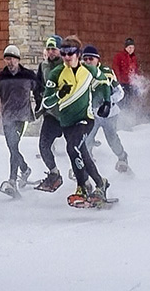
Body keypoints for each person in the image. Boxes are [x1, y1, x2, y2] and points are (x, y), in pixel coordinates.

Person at [41, 35, 112, 207]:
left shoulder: (88, 69)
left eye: (70, 53)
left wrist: (107, 102)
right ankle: (100, 183)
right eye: (63, 53)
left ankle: (82, 187)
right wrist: (59, 94)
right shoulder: (56, 73)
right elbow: (45, 101)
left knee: (72, 147)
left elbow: (104, 81)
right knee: (81, 154)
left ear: (78, 54)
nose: (66, 57)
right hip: (66, 122)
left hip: (85, 119)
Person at [0, 44, 39, 198]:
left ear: (18, 60)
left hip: (22, 116)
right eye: (7, 59)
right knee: (12, 147)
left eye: (13, 59)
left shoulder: (28, 75)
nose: (10, 62)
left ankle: (12, 181)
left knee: (13, 145)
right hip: (7, 116)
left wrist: (41, 106)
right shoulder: (1, 77)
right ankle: (25, 169)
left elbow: (39, 90)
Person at [80, 46, 130, 173]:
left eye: (91, 58)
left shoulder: (106, 72)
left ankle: (122, 158)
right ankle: (86, 164)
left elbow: (120, 92)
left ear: (98, 59)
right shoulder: (81, 72)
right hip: (91, 113)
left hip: (109, 113)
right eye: (85, 59)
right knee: (87, 138)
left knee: (112, 138)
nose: (87, 61)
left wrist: (108, 102)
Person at [33, 35, 66, 193]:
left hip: (68, 115)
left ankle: (88, 181)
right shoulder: (43, 66)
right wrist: (40, 105)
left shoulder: (66, 65)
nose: (51, 52)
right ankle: (54, 174)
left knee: (76, 150)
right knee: (43, 146)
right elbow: (38, 87)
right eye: (49, 49)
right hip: (51, 115)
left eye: (54, 49)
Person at [112, 38, 140, 113]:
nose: (131, 49)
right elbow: (116, 68)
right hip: (122, 83)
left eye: (133, 48)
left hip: (130, 84)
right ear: (125, 48)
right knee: (122, 101)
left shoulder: (134, 58)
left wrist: (136, 82)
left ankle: (128, 114)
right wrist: (118, 80)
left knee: (129, 102)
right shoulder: (119, 56)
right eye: (129, 47)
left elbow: (136, 70)